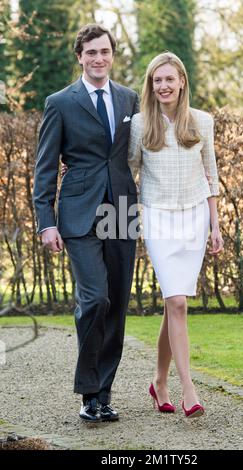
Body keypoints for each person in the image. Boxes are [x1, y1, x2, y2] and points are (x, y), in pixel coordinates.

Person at [33, 23, 139, 423]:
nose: (99, 59)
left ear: (113, 55)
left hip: (122, 211)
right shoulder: (60, 102)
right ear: (79, 56)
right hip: (79, 213)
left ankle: (103, 395)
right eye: (91, 52)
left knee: (117, 305)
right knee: (94, 299)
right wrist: (46, 221)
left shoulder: (130, 99)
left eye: (105, 52)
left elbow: (146, 150)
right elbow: (44, 168)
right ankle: (86, 390)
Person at [128, 52, 223, 418]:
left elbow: (211, 173)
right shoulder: (140, 125)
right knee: (178, 302)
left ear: (182, 81)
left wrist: (215, 225)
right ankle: (189, 389)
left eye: (169, 79)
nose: (163, 86)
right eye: (157, 80)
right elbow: (127, 173)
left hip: (195, 217)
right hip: (157, 218)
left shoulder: (202, 121)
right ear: (151, 86)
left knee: (175, 302)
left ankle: (159, 381)